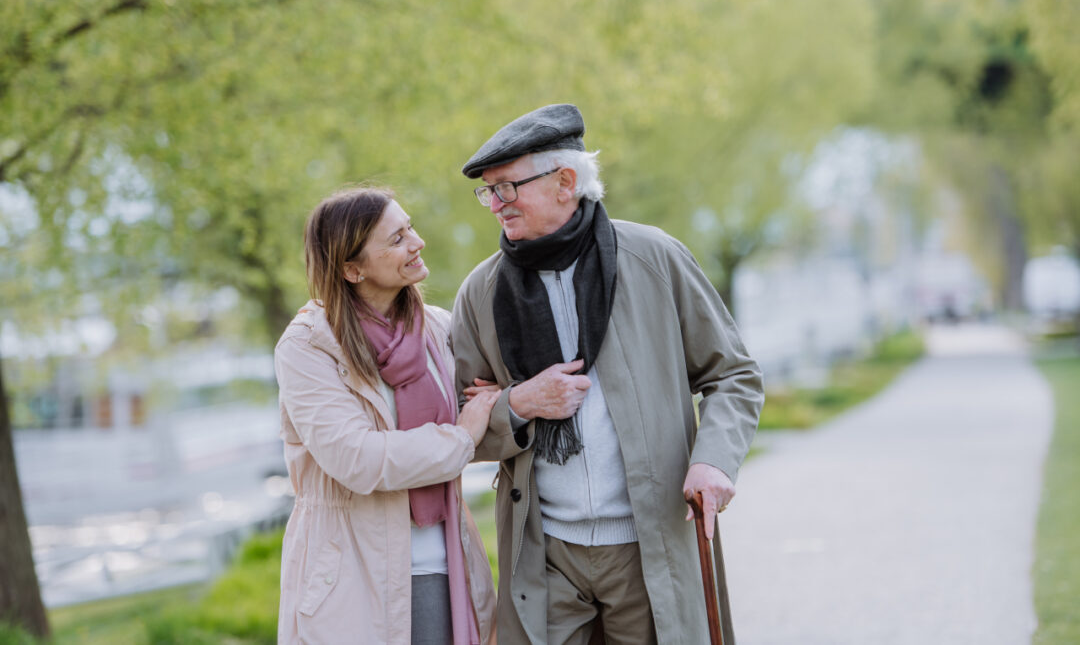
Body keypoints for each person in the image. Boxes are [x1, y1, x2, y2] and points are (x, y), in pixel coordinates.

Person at [450, 104, 764, 644]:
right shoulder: (482, 292)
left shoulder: (653, 258)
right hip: (543, 552)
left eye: (506, 188)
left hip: (649, 544)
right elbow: (463, 421)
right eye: (488, 191)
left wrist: (712, 460)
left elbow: (732, 374)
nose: (494, 205)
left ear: (564, 181)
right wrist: (520, 403)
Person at [274, 186, 498, 644]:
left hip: (445, 562)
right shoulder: (307, 347)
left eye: (410, 228)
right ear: (351, 269)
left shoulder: (439, 327)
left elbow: (484, 401)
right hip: (353, 582)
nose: (416, 243)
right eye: (396, 239)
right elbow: (357, 458)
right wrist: (460, 438)